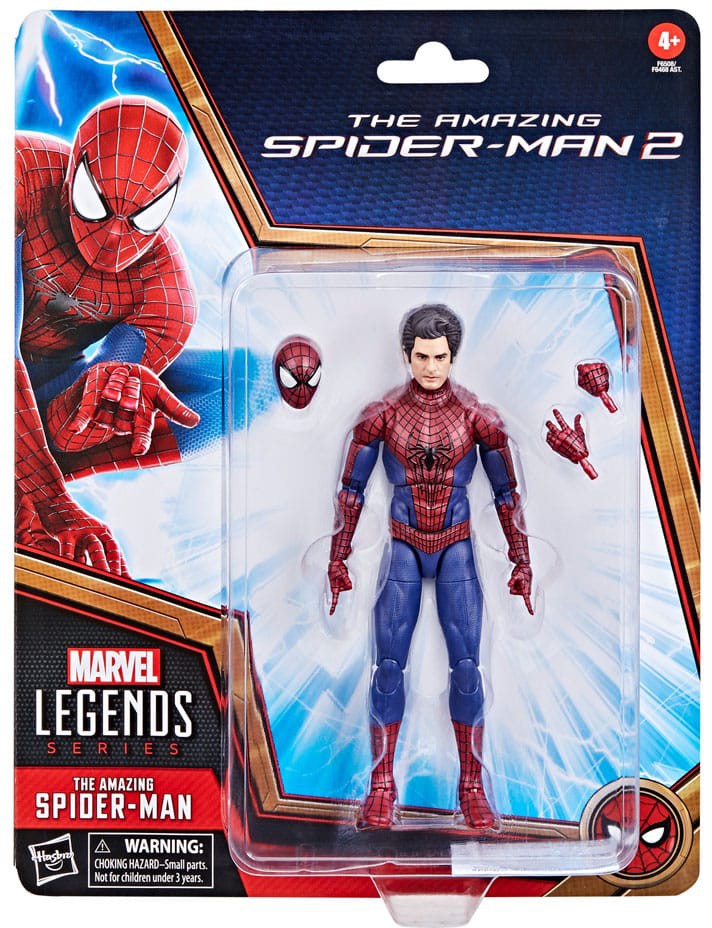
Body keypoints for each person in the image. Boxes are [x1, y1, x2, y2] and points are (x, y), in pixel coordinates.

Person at [328, 303, 533, 829]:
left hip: (456, 545)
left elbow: (507, 494)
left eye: (440, 357)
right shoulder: (381, 414)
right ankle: (381, 786)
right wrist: (337, 556)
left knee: (467, 669)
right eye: (422, 356)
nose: (431, 367)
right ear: (407, 354)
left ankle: (471, 787)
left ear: (453, 355)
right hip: (402, 543)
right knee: (387, 669)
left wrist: (522, 558)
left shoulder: (477, 417)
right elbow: (350, 491)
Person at [15, 96, 200, 573]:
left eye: (142, 216)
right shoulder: (20, 172)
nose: (114, 236)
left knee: (244, 385)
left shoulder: (167, 293)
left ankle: (21, 478)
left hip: (52, 387)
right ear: (73, 169)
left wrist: (101, 388)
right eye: (95, 203)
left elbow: (67, 432)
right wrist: (51, 500)